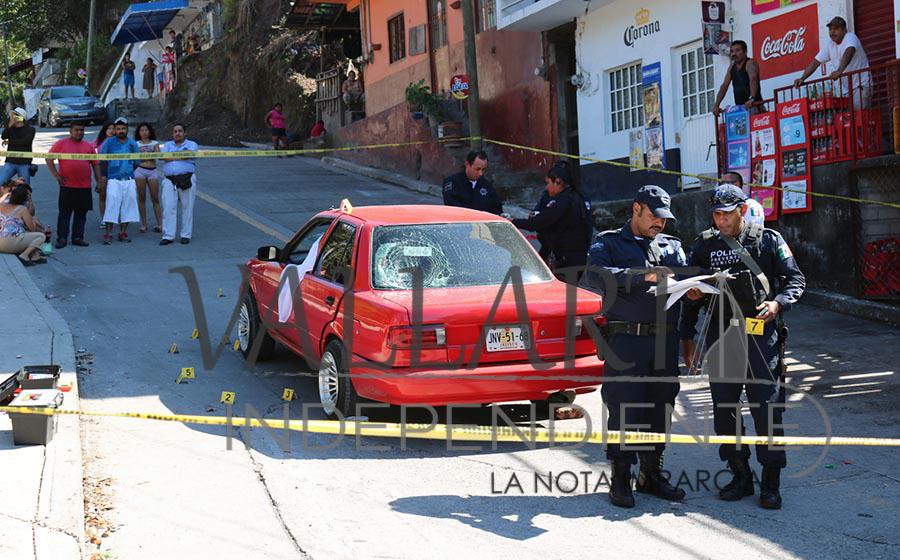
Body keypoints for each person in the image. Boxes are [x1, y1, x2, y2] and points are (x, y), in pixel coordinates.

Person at [680, 184, 805, 510]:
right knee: (724, 411)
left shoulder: (768, 240)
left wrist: (778, 304)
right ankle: (740, 472)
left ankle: (771, 481)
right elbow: (690, 292)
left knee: (766, 410)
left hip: (760, 336)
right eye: (717, 214)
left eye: (727, 214)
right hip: (721, 336)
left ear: (742, 210)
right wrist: (687, 336)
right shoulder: (704, 246)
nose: (722, 221)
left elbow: (796, 279)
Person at [582, 185, 686, 508]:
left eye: (664, 219)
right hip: (626, 340)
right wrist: (644, 277)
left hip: (664, 340)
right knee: (625, 408)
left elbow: (687, 276)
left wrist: (695, 289)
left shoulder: (672, 246)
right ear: (636, 208)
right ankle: (621, 478)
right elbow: (597, 276)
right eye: (654, 216)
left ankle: (651, 474)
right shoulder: (609, 242)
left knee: (660, 407)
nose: (660, 224)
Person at [510, 161, 592, 282]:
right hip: (576, 257)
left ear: (558, 182)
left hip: (566, 259)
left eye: (548, 183)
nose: (546, 187)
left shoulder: (563, 201)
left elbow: (538, 222)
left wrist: (512, 221)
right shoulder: (578, 196)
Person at [794, 16, 870, 107]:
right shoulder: (830, 44)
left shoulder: (850, 37)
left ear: (844, 30)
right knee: (849, 119)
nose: (832, 32)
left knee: (860, 118)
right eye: (830, 29)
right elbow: (815, 62)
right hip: (846, 91)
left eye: (836, 29)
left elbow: (849, 51)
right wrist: (802, 78)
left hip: (860, 87)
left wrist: (839, 71)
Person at [46, 123, 100, 249]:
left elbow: (95, 164)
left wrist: (99, 181)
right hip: (67, 185)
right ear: (70, 131)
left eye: (82, 130)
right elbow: (49, 159)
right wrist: (56, 175)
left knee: (81, 213)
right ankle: (62, 238)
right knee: (65, 213)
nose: (79, 132)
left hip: (84, 186)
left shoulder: (88, 146)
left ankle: (78, 237)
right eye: (77, 130)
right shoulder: (61, 144)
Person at [99, 118, 140, 244]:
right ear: (115, 130)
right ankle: (108, 233)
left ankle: (123, 232)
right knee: (111, 205)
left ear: (127, 129)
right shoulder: (109, 142)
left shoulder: (133, 143)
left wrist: (127, 170)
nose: (121, 131)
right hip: (113, 179)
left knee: (128, 206)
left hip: (129, 179)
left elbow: (136, 162)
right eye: (118, 128)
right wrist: (105, 176)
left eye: (123, 128)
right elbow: (102, 160)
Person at [159, 124, 198, 245]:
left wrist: (173, 156)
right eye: (175, 131)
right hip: (169, 180)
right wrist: (181, 156)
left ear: (185, 133)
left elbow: (189, 154)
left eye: (180, 131)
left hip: (187, 178)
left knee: (187, 207)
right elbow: (163, 158)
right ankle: (168, 235)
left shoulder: (192, 144)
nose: (177, 133)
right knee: (168, 207)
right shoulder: (167, 145)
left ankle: (186, 235)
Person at [0, 184, 46, 265]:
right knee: (40, 236)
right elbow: (32, 229)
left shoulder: (1, 204)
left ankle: (35, 256)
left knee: (25, 234)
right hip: (10, 243)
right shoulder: (22, 209)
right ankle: (24, 255)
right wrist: (35, 222)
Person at [713, 40, 762, 116]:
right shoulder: (732, 67)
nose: (734, 54)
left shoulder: (750, 63)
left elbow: (753, 79)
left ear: (745, 52)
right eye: (732, 51)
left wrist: (752, 98)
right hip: (741, 109)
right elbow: (724, 86)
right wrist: (716, 105)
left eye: (737, 50)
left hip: (754, 106)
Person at [134, 123, 162, 233]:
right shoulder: (135, 144)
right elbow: (135, 158)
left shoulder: (155, 143)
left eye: (146, 130)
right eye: (142, 130)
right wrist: (149, 155)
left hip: (152, 171)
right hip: (140, 171)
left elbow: (158, 156)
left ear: (150, 132)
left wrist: (145, 156)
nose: (144, 132)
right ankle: (144, 224)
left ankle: (160, 223)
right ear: (139, 133)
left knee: (155, 198)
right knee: (141, 198)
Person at [1, 108, 37, 186]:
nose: (12, 117)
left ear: (20, 117)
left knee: (25, 187)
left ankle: (26, 198)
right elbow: (3, 136)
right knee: (1, 182)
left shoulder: (30, 129)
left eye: (14, 116)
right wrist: (9, 126)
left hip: (24, 163)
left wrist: (10, 142)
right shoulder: (11, 128)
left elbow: (26, 142)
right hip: (10, 161)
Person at [93, 123, 115, 226]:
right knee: (103, 195)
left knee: (114, 195)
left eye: (113, 129)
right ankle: (104, 219)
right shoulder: (98, 141)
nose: (111, 130)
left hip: (115, 169)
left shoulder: (118, 141)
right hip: (102, 168)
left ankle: (113, 216)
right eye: (109, 128)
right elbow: (90, 151)